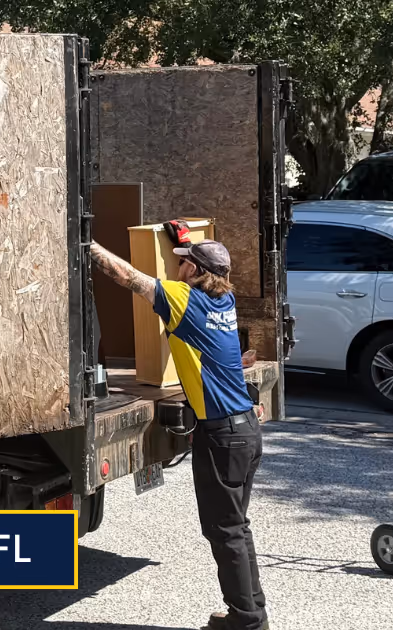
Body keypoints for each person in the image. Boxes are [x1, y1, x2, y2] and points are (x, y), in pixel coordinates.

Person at [89, 237, 267, 630]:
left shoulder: (186, 299)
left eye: (184, 262)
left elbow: (129, 277)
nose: (177, 268)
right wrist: (184, 238)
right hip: (245, 431)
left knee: (225, 531)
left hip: (223, 434)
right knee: (236, 527)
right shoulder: (225, 303)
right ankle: (253, 614)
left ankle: (247, 621)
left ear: (197, 272)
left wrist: (87, 243)